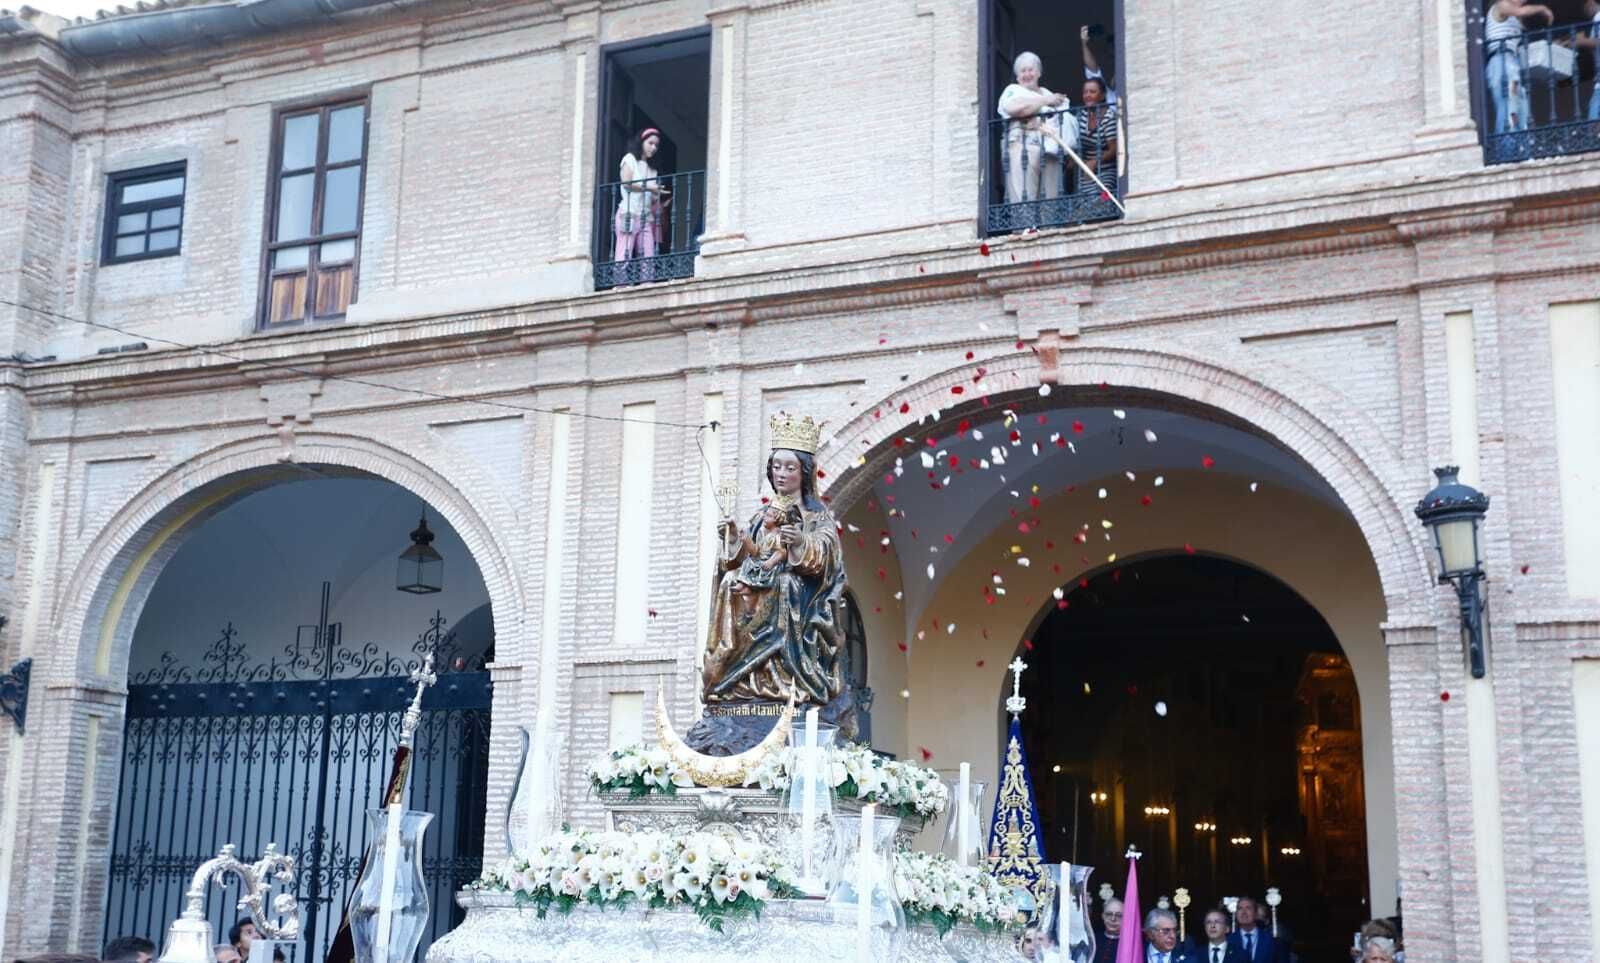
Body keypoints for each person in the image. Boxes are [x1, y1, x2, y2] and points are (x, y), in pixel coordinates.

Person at [703, 414, 846, 706]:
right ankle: (732, 670)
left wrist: (800, 544)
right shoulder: (761, 517)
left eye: (790, 467)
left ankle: (784, 675)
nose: (781, 473)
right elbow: (747, 555)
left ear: (804, 472)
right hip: (757, 581)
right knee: (731, 580)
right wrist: (733, 539)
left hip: (800, 598)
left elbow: (826, 556)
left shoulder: (816, 518)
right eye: (776, 467)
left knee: (784, 583)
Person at [997, 51, 1070, 209]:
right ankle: (1025, 232)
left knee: (1050, 201)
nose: (1027, 74)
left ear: (1039, 72)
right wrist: (1045, 101)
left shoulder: (1048, 93)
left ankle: (1048, 233)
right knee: (1023, 199)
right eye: (1022, 71)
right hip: (1022, 148)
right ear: (1017, 77)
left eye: (1030, 70)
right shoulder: (1013, 90)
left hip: (1050, 150)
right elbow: (1013, 108)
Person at [1484, 1, 1555, 134]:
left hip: (1511, 62)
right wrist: (1542, 8)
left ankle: (1521, 149)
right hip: (1501, 60)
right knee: (1508, 109)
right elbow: (1521, 12)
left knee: (1520, 110)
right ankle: (1507, 151)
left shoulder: (1514, 18)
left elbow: (1521, 18)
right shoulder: (1501, 5)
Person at [613, 127, 671, 279]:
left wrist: (658, 198)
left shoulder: (653, 170)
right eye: (650, 143)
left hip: (645, 217)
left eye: (656, 145)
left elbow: (649, 197)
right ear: (641, 142)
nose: (653, 147)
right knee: (624, 253)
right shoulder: (629, 159)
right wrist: (649, 187)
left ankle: (647, 284)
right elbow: (626, 183)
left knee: (648, 255)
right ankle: (620, 285)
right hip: (628, 214)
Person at [1074, 77, 1119, 208]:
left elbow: (1113, 149)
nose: (1087, 95)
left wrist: (1095, 162)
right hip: (1087, 171)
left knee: (1103, 200)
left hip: (1105, 171)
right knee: (1082, 204)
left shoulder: (1108, 117)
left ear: (1102, 95)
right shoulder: (1081, 116)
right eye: (1085, 92)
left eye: (1092, 92)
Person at [1226, 897, 1283, 963]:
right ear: (1236, 914)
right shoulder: (1227, 941)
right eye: (1240, 908)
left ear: (1256, 914)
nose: (1243, 912)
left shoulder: (1272, 941)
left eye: (1248, 908)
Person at [1079, 24, 1119, 105]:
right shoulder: (1106, 92)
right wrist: (1084, 43)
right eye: (1110, 56)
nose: (1112, 60)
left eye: (1114, 56)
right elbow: (1092, 71)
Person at [1093, 897, 1124, 963]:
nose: (1113, 919)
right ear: (1103, 916)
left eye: (1118, 915)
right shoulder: (1092, 940)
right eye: (1109, 914)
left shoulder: (1129, 943)